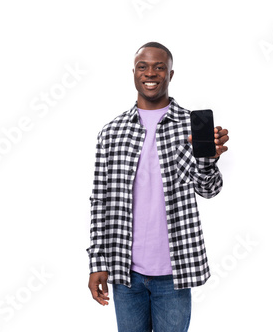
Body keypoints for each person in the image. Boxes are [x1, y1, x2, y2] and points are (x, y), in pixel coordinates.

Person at [87, 41, 229, 332]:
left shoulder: (190, 126)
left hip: (173, 271)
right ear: (134, 73)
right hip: (125, 270)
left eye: (159, 66)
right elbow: (99, 201)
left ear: (170, 74)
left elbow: (209, 189)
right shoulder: (111, 132)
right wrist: (96, 261)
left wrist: (208, 159)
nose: (150, 73)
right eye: (143, 66)